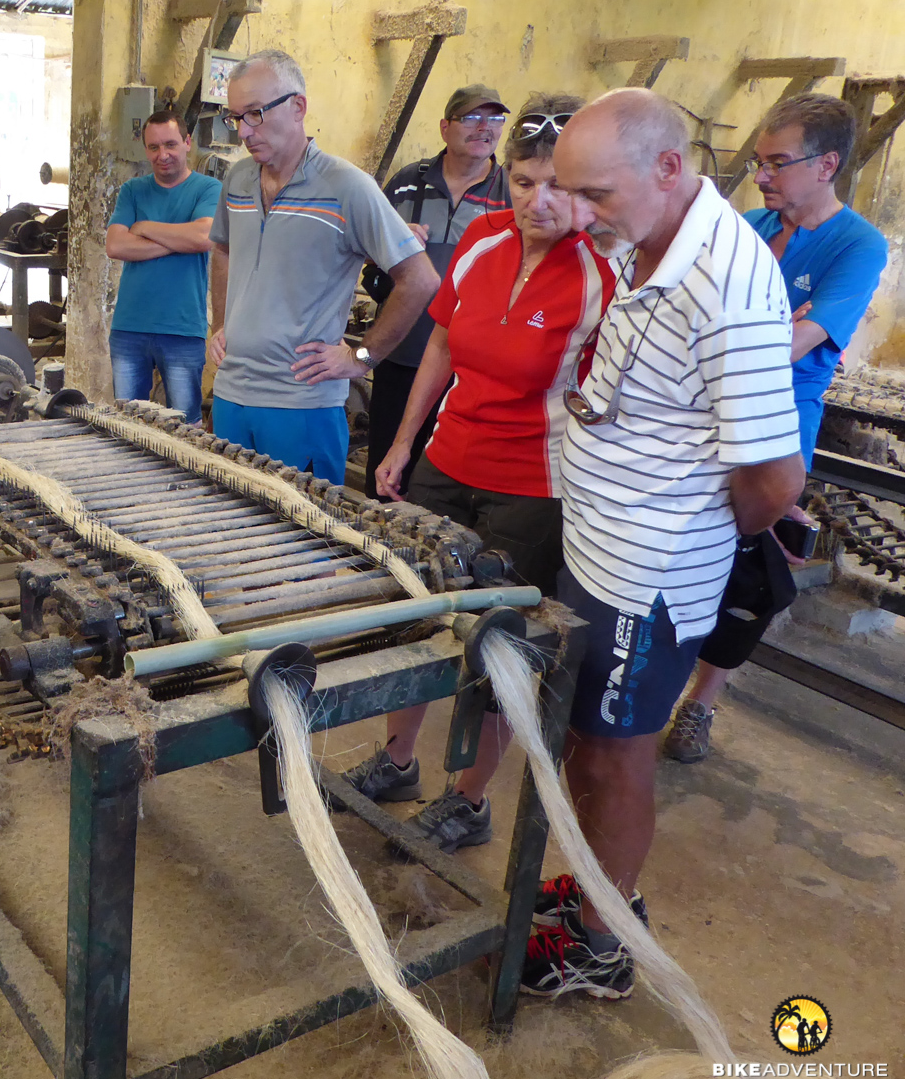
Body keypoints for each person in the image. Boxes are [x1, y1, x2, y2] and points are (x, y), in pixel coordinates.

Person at [521, 89, 804, 999]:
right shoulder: (645, 238)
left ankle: (602, 946)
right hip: (599, 547)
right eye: (570, 191)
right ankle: (597, 887)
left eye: (595, 194)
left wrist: (682, 531)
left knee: (617, 751)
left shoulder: (727, 285)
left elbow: (774, 481)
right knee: (585, 733)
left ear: (669, 168)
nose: (579, 215)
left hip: (646, 574)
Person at [341, 94, 614, 852]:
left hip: (531, 488)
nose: (537, 201)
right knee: (416, 614)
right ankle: (398, 760)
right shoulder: (481, 241)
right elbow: (440, 346)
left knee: (498, 648)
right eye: (524, 181)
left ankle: (469, 799)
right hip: (446, 462)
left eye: (557, 185)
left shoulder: (600, 276)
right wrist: (404, 444)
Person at [664, 93, 890, 763]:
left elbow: (797, 343)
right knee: (682, 554)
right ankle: (657, 672)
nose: (761, 176)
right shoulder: (751, 226)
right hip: (703, 413)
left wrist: (715, 345)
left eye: (776, 163)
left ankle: (701, 702)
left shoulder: (857, 245)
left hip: (776, 426)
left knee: (745, 572)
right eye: (759, 162)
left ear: (827, 165)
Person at [206, 49, 439, 486]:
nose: (243, 131)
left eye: (255, 114)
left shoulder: (347, 187)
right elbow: (222, 249)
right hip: (231, 395)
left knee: (298, 527)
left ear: (298, 107)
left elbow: (420, 279)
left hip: (301, 406)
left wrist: (362, 357)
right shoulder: (237, 180)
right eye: (235, 117)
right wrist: (220, 324)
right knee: (229, 516)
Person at [368, 84, 513, 498]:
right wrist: (391, 245)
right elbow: (367, 257)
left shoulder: (510, 193)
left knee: (440, 489)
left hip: (466, 370)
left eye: (495, 118)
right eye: (472, 117)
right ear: (445, 127)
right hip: (400, 354)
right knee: (385, 478)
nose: (485, 127)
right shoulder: (405, 184)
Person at [105, 108, 223, 423]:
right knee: (127, 424)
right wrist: (177, 241)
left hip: (182, 327)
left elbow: (203, 237)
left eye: (170, 144)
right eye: (154, 147)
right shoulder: (133, 190)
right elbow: (115, 246)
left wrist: (143, 227)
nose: (163, 155)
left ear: (187, 142)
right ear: (146, 149)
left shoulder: (208, 189)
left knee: (185, 428)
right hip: (129, 326)